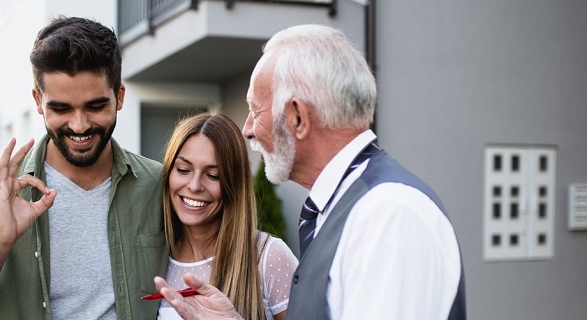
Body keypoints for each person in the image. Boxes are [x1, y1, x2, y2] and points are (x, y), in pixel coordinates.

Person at [154, 24, 466, 320]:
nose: (247, 130)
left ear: (297, 118)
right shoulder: (346, 211)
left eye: (256, 111)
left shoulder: (388, 214)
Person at [0, 16, 168, 319]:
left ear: (119, 97)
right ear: (38, 101)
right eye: (61, 108)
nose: (80, 125)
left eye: (95, 106)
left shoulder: (160, 185)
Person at [154, 112, 298, 320]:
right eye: (183, 170)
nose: (194, 186)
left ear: (234, 183)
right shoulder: (154, 257)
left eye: (213, 175)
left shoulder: (268, 257)